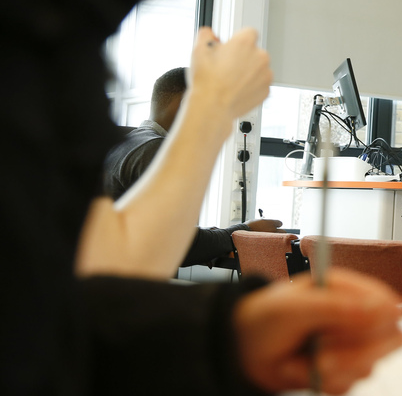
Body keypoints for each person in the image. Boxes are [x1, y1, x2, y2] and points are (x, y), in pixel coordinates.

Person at [1, 0, 402, 395]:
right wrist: (213, 104)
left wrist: (223, 338)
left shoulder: (50, 20)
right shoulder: (22, 29)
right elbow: (111, 269)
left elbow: (44, 310)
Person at [104, 67, 283, 269]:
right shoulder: (157, 152)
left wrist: (209, 239)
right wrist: (245, 231)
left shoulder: (128, 144)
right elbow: (178, 248)